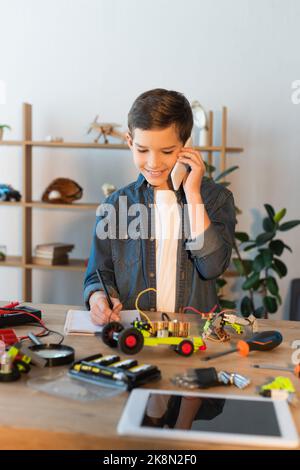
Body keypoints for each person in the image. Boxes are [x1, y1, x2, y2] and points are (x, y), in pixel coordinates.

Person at [84, 89, 236, 325]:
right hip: (134, 333)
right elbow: (98, 274)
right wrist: (98, 298)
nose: (153, 163)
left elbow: (212, 268)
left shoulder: (217, 199)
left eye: (166, 151)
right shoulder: (115, 206)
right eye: (142, 150)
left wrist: (193, 193)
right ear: (129, 142)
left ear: (187, 146)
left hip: (192, 335)